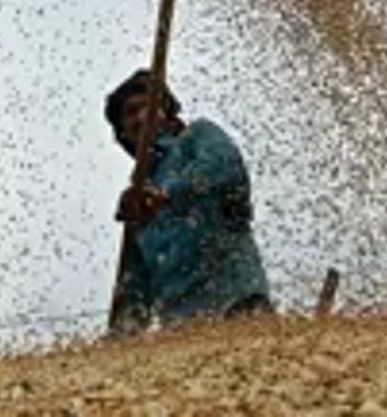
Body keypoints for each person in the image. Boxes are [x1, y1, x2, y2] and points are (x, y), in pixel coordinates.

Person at [104, 69, 272, 334]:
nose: (142, 116)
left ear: (168, 112)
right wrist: (119, 339)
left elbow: (223, 165)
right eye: (132, 112)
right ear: (123, 134)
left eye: (150, 106)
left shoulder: (196, 137)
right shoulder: (136, 207)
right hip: (182, 330)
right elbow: (135, 294)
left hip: (238, 307)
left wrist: (166, 195)